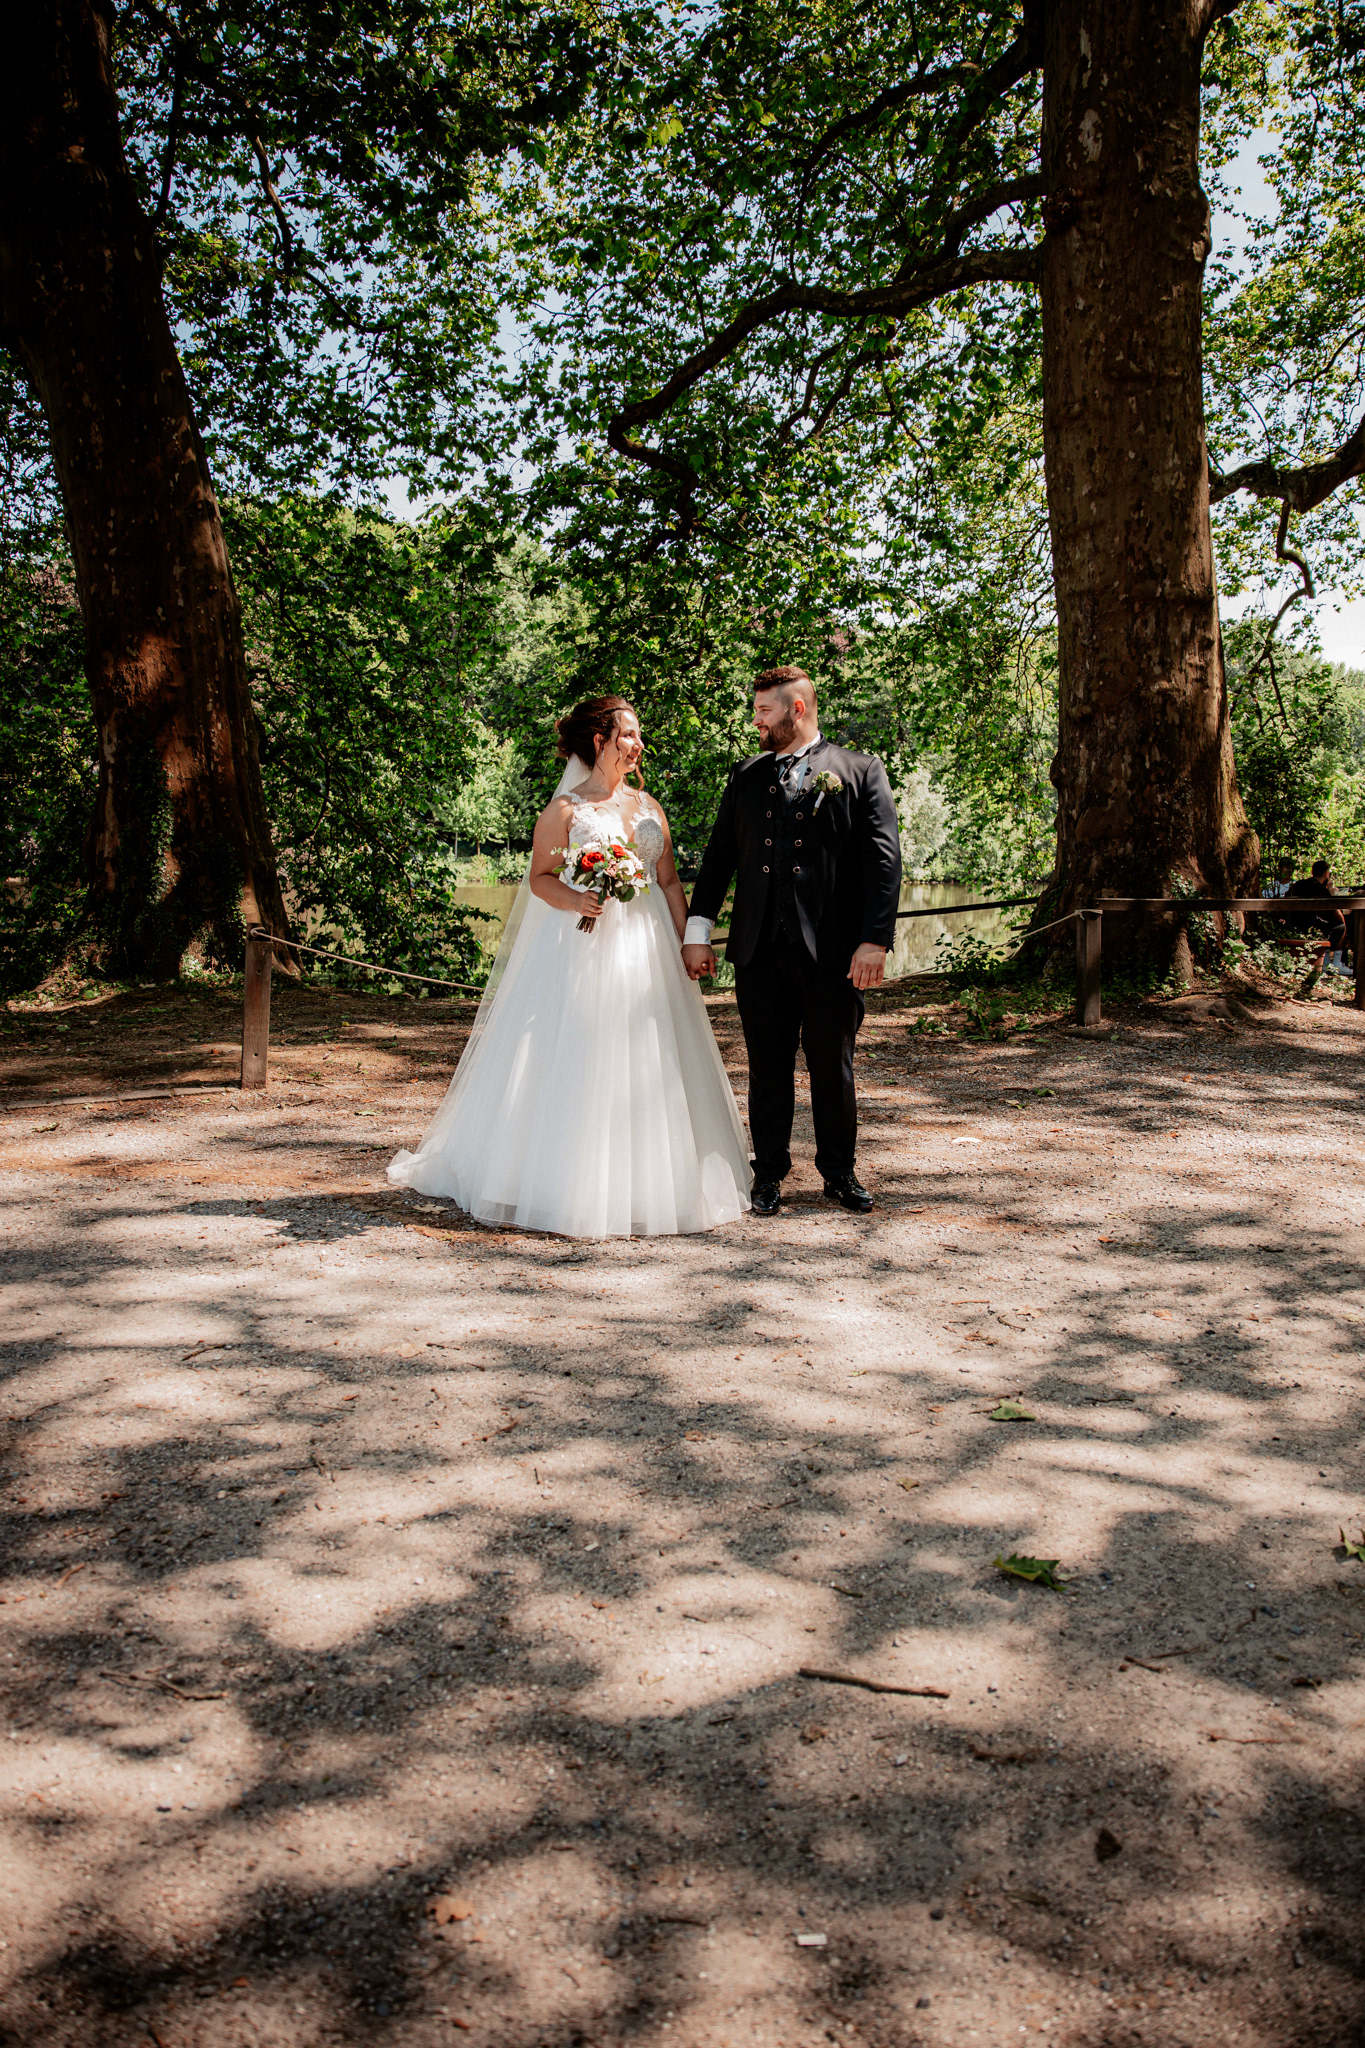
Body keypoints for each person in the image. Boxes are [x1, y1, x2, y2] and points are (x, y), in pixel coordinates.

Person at [388, 697, 751, 1237]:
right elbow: (539, 879)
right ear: (599, 741)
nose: (638, 744)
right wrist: (577, 900)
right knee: (582, 1051)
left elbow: (670, 881)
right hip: (585, 950)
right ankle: (566, 1183)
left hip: (647, 951)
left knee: (653, 1053)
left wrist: (686, 943)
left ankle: (656, 1182)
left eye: (638, 733)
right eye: (627, 734)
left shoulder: (649, 805)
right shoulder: (563, 812)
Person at [681, 665, 902, 1216]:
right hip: (758, 951)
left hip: (833, 954)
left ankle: (839, 1173)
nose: (755, 720)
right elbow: (718, 862)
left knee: (834, 1065)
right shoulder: (746, 776)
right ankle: (769, 1175)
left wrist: (873, 941)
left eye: (764, 711)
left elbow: (883, 865)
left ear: (796, 709)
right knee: (767, 1066)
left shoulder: (859, 771)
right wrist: (697, 933)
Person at [1288, 858, 1350, 974]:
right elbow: (1334, 911)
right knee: (1340, 927)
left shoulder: (1299, 885)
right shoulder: (1320, 889)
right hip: (1310, 926)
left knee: (1328, 926)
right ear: (1326, 875)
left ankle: (1326, 960)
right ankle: (1336, 963)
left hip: (1294, 924)